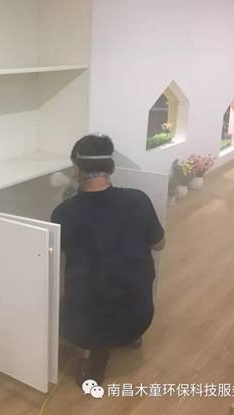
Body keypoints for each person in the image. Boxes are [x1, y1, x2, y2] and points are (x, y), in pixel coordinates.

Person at [51, 134, 165, 385]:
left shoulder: (64, 213)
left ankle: (92, 356)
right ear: (111, 168)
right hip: (139, 318)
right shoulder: (138, 200)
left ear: (76, 170)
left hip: (85, 328)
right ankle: (128, 337)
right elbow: (160, 244)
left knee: (72, 298)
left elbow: (57, 259)